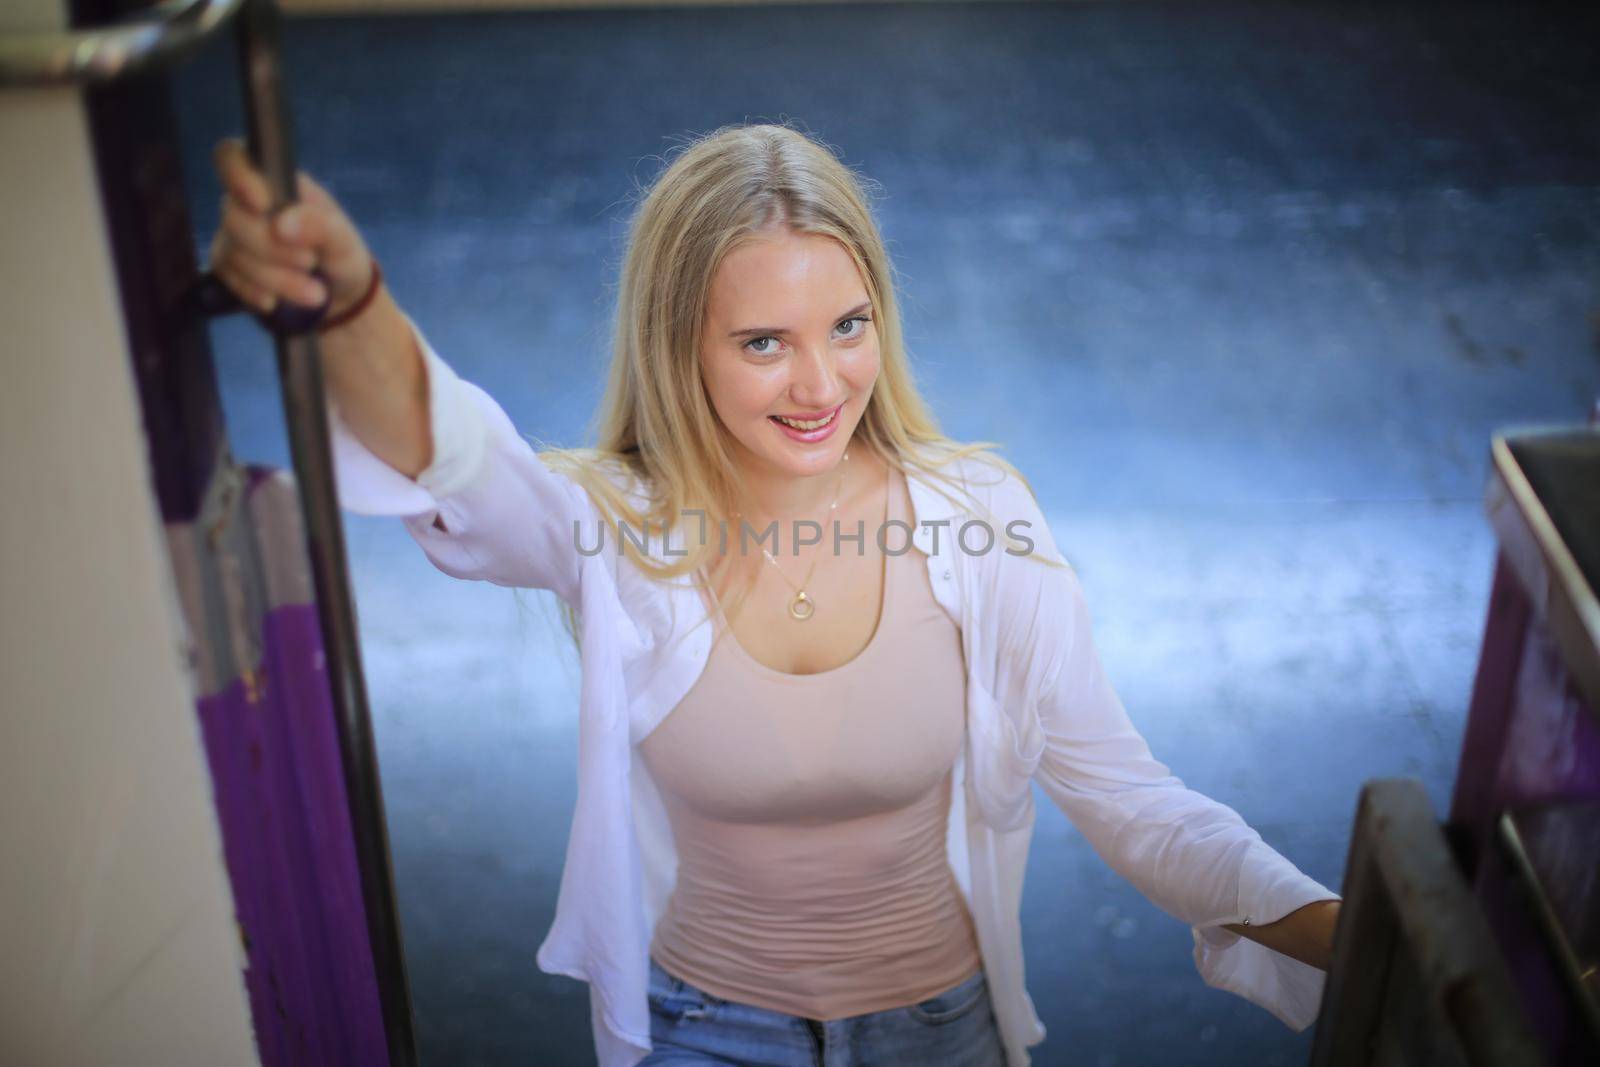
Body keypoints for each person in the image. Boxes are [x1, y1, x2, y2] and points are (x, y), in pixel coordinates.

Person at [208, 121, 1342, 1067]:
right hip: (703, 1033)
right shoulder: (620, 529)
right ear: (679, 346)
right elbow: (457, 461)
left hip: (944, 1032)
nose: (820, 383)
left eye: (847, 326)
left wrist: (1350, 926)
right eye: (763, 342)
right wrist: (350, 302)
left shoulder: (978, 515)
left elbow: (1129, 793)